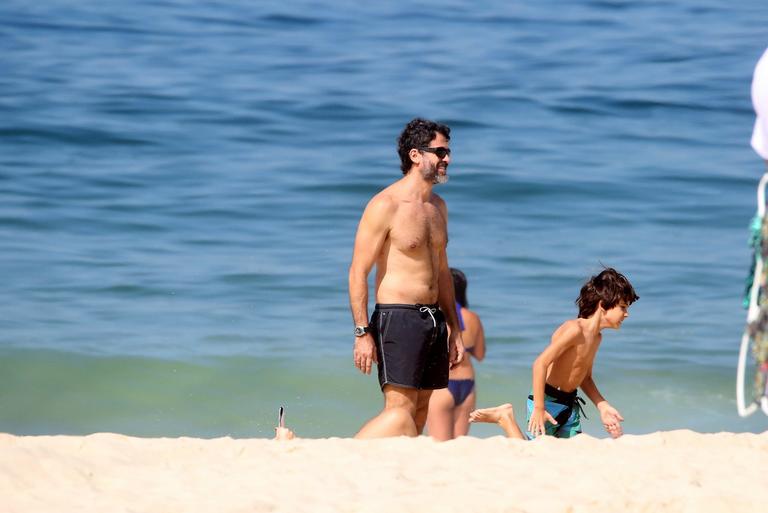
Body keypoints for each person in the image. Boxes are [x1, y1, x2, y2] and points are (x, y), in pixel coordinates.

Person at [348, 118, 464, 438]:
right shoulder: (385, 205)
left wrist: (455, 329)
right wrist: (362, 332)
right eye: (440, 152)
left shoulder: (438, 207)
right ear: (415, 155)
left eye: (448, 152)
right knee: (399, 412)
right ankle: (349, 452)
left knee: (423, 409)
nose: (447, 159)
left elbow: (442, 273)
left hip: (434, 319)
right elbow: (358, 271)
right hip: (397, 316)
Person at [470, 267, 639, 439]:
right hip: (546, 401)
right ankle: (504, 418)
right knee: (533, 454)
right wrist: (539, 407)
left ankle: (506, 417)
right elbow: (540, 364)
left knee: (571, 454)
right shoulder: (574, 330)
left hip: (569, 403)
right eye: (623, 307)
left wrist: (602, 405)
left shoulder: (596, 338)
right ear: (603, 306)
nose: (626, 314)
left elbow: (585, 378)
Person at [426, 268, 486, 440]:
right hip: (467, 385)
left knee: (440, 445)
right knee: (459, 446)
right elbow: (480, 355)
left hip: (443, 385)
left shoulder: (434, 316)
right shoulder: (473, 317)